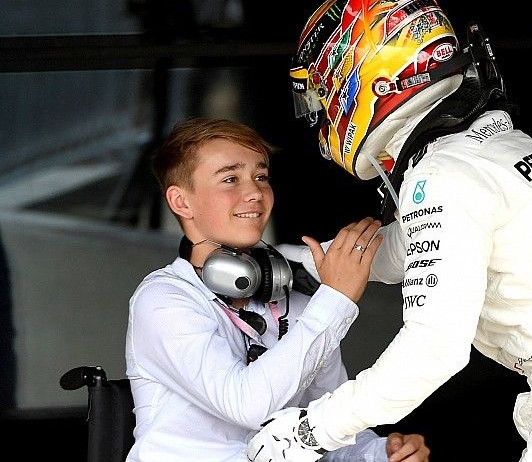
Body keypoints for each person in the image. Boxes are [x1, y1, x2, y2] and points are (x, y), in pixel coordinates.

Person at [246, 0, 532, 461]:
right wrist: (288, 265)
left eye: (322, 95)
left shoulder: (443, 175)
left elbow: (433, 350)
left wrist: (311, 431)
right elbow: (404, 250)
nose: (321, 116)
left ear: (365, 76)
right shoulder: (481, 146)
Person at [124, 117, 430, 461]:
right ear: (181, 202)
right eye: (230, 179)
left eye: (260, 177)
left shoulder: (293, 297)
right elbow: (246, 404)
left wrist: (381, 454)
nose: (255, 192)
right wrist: (336, 299)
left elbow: (328, 429)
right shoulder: (163, 300)